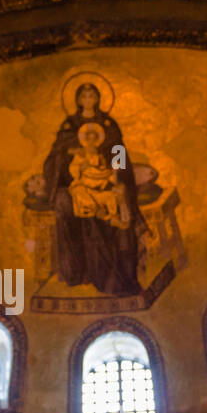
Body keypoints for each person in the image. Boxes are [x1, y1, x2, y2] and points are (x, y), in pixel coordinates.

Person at [43, 82, 147, 295]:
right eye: (84, 95)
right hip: (78, 184)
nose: (88, 99)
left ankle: (117, 276)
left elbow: (118, 151)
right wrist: (72, 154)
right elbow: (56, 158)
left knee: (118, 207)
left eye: (92, 95)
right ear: (78, 100)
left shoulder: (108, 124)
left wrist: (117, 177)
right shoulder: (69, 125)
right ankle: (76, 271)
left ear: (98, 98)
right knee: (66, 203)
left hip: (106, 181)